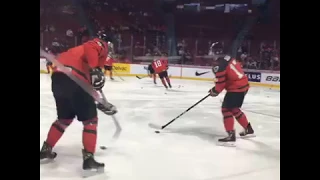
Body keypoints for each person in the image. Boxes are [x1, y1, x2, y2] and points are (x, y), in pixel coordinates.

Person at [40, 33, 117, 173]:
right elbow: (91, 46)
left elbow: (86, 89)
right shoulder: (99, 45)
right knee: (91, 120)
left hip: (58, 79)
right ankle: (88, 159)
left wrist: (100, 102)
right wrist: (95, 70)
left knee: (64, 119)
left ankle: (46, 149)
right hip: (75, 79)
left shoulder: (78, 53)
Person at [208, 55, 254, 145]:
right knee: (234, 109)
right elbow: (230, 76)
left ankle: (231, 135)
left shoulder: (220, 67)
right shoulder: (229, 59)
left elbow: (220, 86)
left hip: (235, 89)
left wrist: (214, 91)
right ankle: (248, 129)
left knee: (226, 109)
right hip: (243, 86)